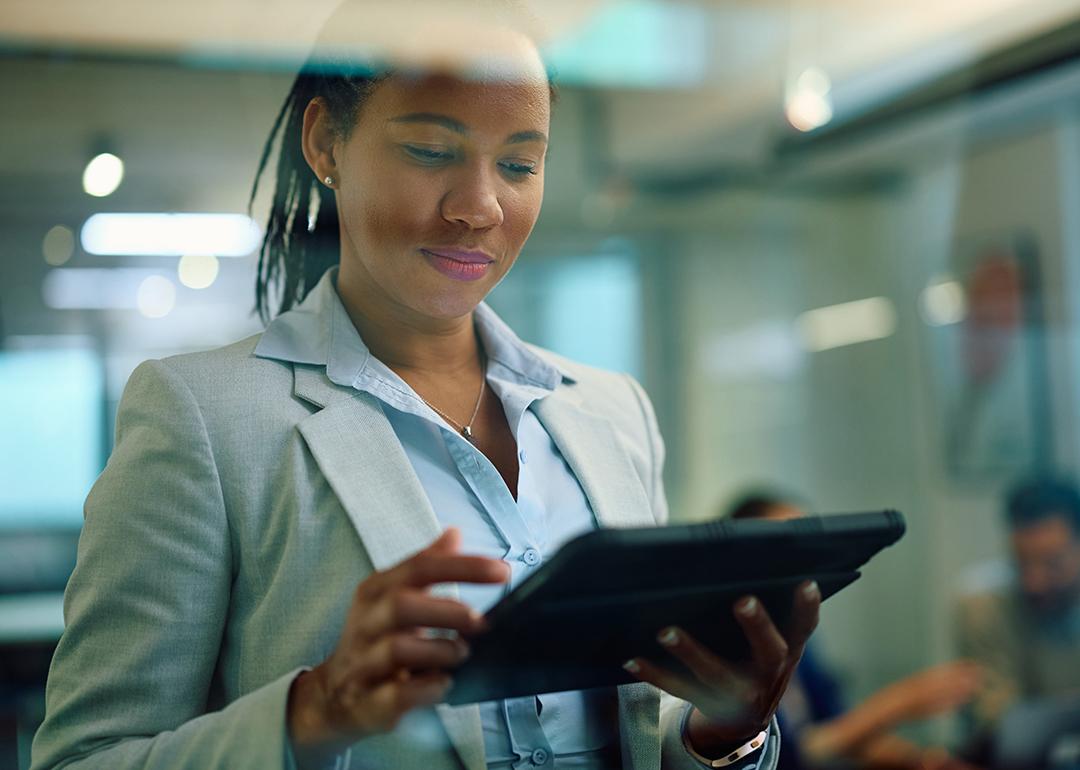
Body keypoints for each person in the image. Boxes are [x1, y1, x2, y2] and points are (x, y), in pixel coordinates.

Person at [30, 4, 820, 769]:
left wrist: (723, 737)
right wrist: (313, 713)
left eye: (518, 165)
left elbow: (644, 729)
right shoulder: (206, 417)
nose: (479, 207)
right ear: (325, 143)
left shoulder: (610, 411)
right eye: (432, 152)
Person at [728, 493, 982, 770]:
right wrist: (900, 702)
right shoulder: (729, 646)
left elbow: (842, 733)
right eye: (787, 547)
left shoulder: (796, 633)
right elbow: (795, 753)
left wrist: (927, 761)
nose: (803, 560)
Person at [954, 477, 1080, 753]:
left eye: (1053, 563)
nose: (1034, 581)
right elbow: (998, 720)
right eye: (1021, 562)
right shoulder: (983, 603)